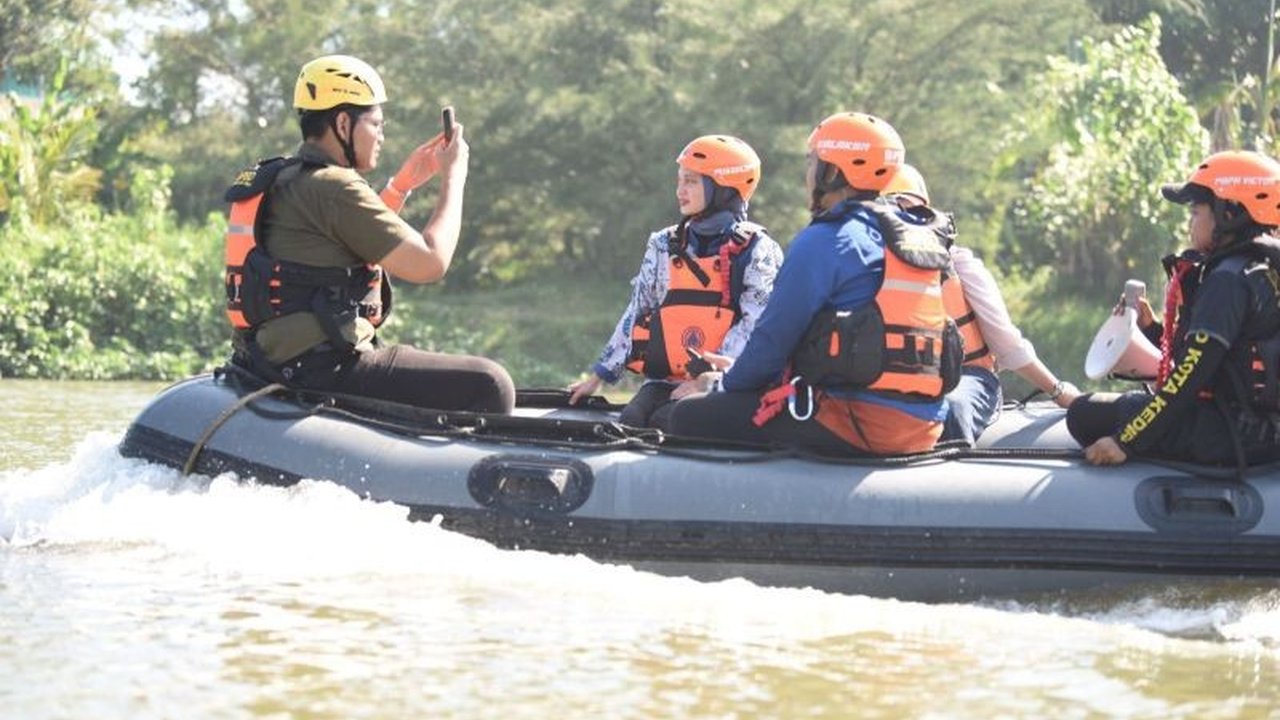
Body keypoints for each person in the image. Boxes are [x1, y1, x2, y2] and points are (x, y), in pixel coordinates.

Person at [224, 54, 514, 413]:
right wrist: (454, 176)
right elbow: (430, 263)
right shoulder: (334, 186)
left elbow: (351, 241)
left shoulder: (289, 178)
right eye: (376, 124)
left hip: (272, 359)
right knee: (490, 383)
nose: (382, 136)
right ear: (343, 123)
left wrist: (402, 184)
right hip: (322, 368)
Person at [666, 112, 954, 455]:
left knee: (685, 415)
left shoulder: (826, 239)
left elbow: (773, 341)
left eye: (812, 162)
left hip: (857, 422)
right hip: (924, 426)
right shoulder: (906, 238)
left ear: (832, 172)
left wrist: (723, 384)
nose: (808, 174)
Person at [1067, 150, 1280, 467]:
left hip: (1234, 434)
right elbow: (1222, 359)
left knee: (1084, 413)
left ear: (1230, 213)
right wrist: (1152, 329)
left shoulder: (1227, 280)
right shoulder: (1261, 270)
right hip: (1262, 429)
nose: (1189, 223)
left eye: (1195, 212)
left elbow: (1191, 375)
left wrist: (1127, 440)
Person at [566, 135, 783, 428]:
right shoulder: (662, 243)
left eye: (691, 182)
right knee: (631, 419)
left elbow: (755, 325)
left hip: (723, 382)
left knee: (669, 421)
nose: (680, 191)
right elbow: (637, 311)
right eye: (679, 180)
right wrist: (599, 375)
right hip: (664, 379)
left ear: (723, 189)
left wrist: (708, 379)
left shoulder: (758, 250)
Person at [882, 164, 1080, 445]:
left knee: (950, 409)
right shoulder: (864, 269)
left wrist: (1058, 391)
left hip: (968, 377)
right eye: (892, 211)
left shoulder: (960, 264)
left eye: (908, 209)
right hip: (893, 380)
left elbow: (1007, 345)